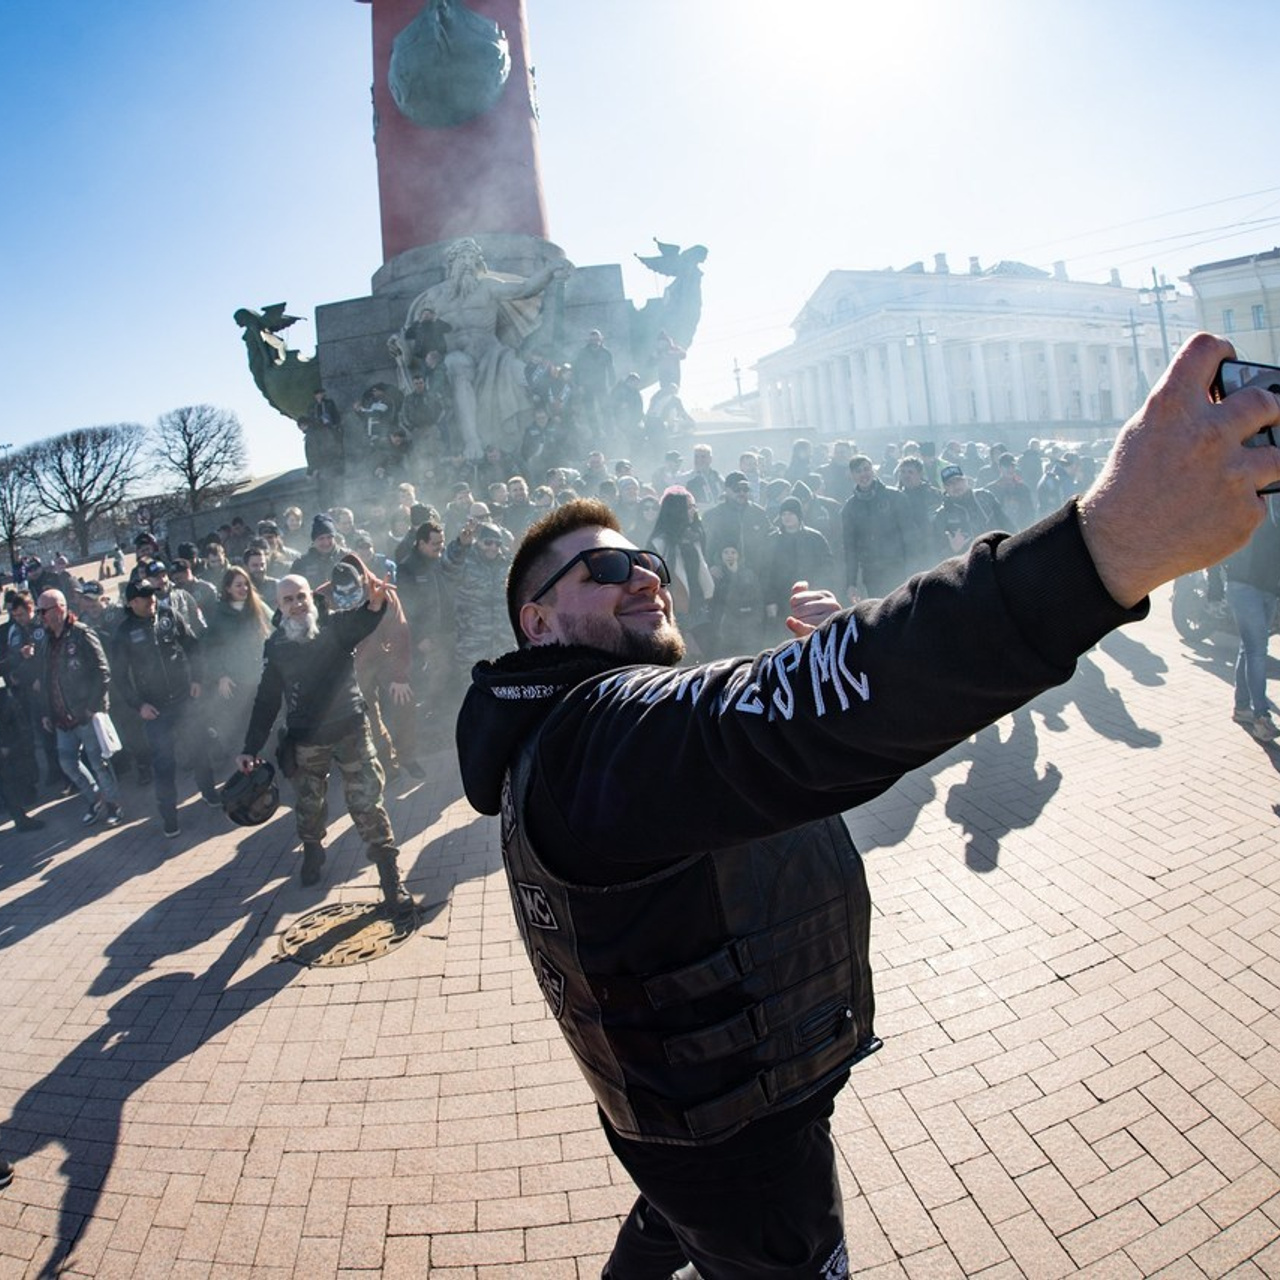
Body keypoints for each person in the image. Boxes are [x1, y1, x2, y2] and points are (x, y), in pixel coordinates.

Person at [454, 334, 1280, 1279]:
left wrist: (806, 668)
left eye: (645, 559)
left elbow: (743, 754)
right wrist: (1106, 546)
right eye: (602, 571)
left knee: (671, 1227)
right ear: (538, 623)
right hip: (744, 1148)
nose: (643, 573)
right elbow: (764, 733)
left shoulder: (563, 733)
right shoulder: (596, 738)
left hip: (694, 1115)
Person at [235, 566, 411, 910]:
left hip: (351, 730)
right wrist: (249, 747)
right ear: (279, 606)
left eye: (301, 596)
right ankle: (313, 849)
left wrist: (375, 604)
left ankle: (391, 881)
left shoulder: (334, 625)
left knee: (367, 804)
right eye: (289, 600)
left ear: (311, 597)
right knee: (309, 803)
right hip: (306, 739)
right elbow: (267, 698)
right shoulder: (276, 646)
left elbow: (363, 621)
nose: (298, 604)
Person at [112, 580, 218, 835]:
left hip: (184, 700)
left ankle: (210, 793)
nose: (151, 601)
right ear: (131, 602)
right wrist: (139, 706)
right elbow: (119, 677)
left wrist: (197, 679)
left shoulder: (168, 614)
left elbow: (192, 645)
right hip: (156, 710)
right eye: (144, 597)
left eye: (152, 595)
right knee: (164, 764)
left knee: (199, 750)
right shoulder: (124, 633)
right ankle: (169, 816)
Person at [37, 588, 124, 828]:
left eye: (44, 610)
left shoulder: (81, 633)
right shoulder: (46, 640)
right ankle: (95, 799)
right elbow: (47, 678)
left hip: (85, 714)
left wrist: (92, 706)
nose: (40, 615)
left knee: (99, 763)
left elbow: (103, 671)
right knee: (67, 762)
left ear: (60, 609)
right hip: (61, 716)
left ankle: (114, 805)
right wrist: (47, 711)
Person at [1225, 496, 1280, 741]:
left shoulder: (1277, 508)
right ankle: (1261, 716)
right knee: (1258, 651)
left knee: (1248, 649)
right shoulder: (1245, 501)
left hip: (1269, 589)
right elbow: (1224, 541)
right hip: (1243, 586)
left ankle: (1241, 708)